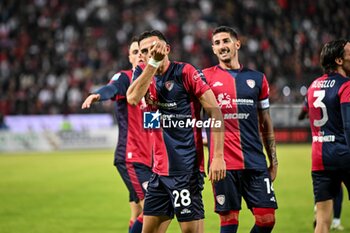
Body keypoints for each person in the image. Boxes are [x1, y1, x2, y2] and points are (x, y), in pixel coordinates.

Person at [126, 30, 226, 233]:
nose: (149, 53)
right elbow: (133, 98)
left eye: (154, 47)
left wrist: (217, 156)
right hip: (159, 171)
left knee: (190, 230)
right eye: (144, 51)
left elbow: (215, 112)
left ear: (167, 49)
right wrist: (152, 64)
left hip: (186, 170)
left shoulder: (185, 72)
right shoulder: (142, 72)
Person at [202, 26, 278, 233]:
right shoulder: (204, 77)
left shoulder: (258, 78)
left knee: (267, 219)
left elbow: (266, 121)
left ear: (237, 44)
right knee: (229, 223)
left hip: (255, 160)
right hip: (223, 164)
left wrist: (274, 160)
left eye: (225, 41)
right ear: (213, 49)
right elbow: (192, 114)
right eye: (217, 43)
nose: (221, 46)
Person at [81, 37, 153, 233]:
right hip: (132, 156)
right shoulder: (125, 78)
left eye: (143, 51)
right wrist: (98, 95)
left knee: (137, 210)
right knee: (154, 208)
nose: (140, 55)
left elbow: (154, 123)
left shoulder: (154, 82)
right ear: (130, 57)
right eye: (135, 52)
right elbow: (111, 89)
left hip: (151, 158)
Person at [305, 39, 350, 233]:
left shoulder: (313, 85)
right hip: (344, 153)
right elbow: (348, 125)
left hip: (320, 157)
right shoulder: (346, 85)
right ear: (339, 60)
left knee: (322, 220)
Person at [298, 104, 345, 231]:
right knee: (338, 189)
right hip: (340, 149)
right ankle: (336, 220)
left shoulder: (313, 89)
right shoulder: (343, 86)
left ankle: (319, 211)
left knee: (322, 213)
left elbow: (301, 115)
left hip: (320, 152)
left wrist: (308, 114)